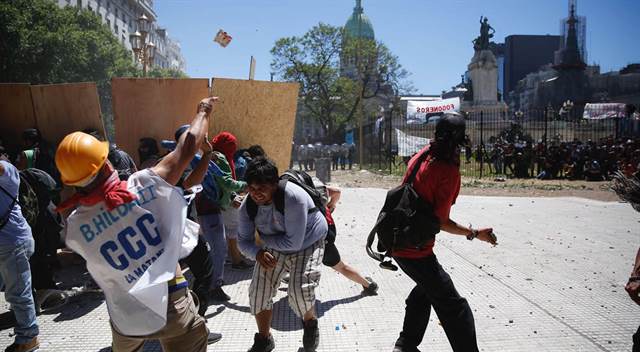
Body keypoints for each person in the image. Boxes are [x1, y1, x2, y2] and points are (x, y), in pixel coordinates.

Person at [55, 97, 220, 352]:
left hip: (126, 316)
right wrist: (204, 111)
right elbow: (187, 148)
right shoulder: (143, 184)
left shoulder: (75, 226)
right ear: (106, 161)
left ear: (72, 181)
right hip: (172, 304)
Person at [392, 113, 497, 352]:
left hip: (397, 238)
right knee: (455, 307)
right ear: (459, 142)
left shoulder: (422, 155)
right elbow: (441, 222)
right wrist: (474, 232)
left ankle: (406, 345)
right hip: (415, 249)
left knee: (425, 290)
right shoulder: (446, 170)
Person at [238, 157, 327, 352]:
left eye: (261, 187)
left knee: (300, 290)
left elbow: (292, 242)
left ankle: (310, 323)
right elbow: (243, 242)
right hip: (277, 242)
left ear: (274, 184)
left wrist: (263, 241)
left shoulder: (292, 198)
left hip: (307, 242)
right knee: (258, 292)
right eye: (251, 188)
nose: (256, 193)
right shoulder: (248, 205)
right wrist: (257, 253)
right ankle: (264, 339)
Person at [189, 132, 248, 302]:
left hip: (199, 207)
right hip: (210, 209)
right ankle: (213, 286)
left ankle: (206, 283)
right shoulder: (215, 157)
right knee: (218, 249)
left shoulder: (195, 158)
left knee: (208, 248)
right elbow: (226, 182)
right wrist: (247, 185)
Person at [0, 158, 40, 352]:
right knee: (16, 289)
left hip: (12, 243)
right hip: (8, 242)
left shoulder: (6, 170)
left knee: (18, 292)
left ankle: (28, 337)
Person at [313, 178, 378, 295]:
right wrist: (330, 205)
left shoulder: (286, 191)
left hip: (318, 235)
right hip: (327, 229)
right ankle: (368, 285)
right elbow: (337, 191)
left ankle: (369, 285)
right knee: (340, 267)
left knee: (339, 266)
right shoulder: (311, 186)